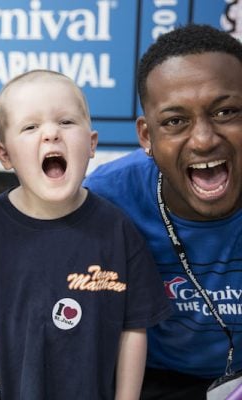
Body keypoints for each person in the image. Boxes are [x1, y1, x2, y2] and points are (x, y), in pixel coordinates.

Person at [0, 69, 172, 400]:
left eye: (67, 122)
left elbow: (134, 328)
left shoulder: (117, 229)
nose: (51, 134)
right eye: (30, 127)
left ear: (92, 143)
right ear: (5, 156)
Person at [83, 24, 242, 399]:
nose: (204, 140)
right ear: (146, 136)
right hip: (152, 378)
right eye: (175, 121)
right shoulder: (107, 200)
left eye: (226, 112)